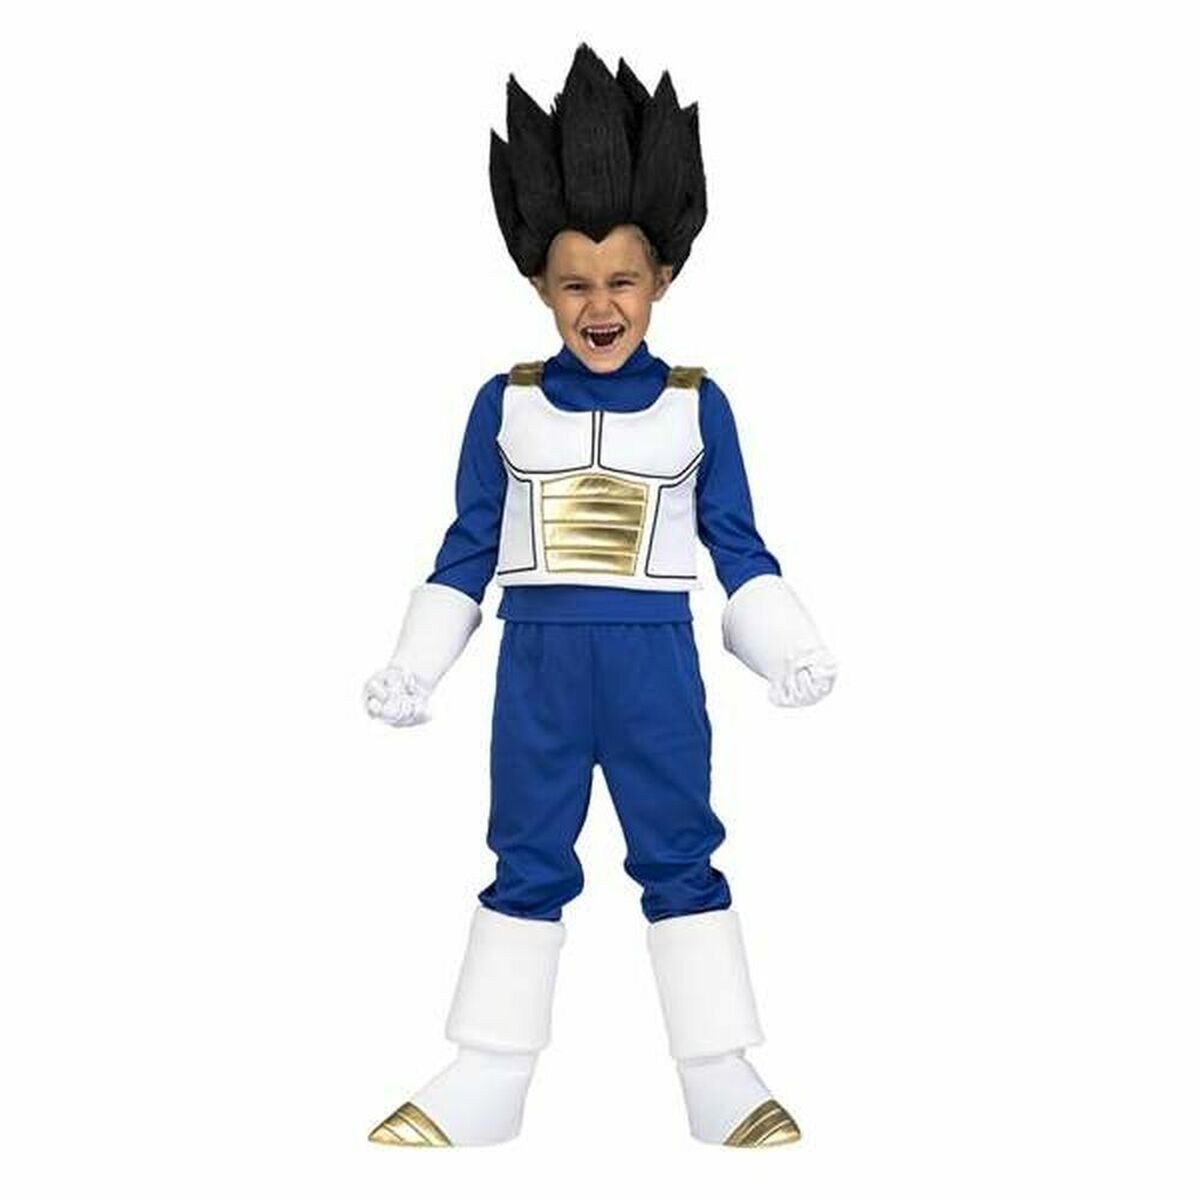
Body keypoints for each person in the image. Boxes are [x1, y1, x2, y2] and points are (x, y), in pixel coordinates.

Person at [363, 43, 837, 1148]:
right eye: (574, 282)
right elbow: (467, 546)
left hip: (652, 662)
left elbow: (737, 544)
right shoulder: (505, 402)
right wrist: (413, 664)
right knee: (526, 852)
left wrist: (790, 646)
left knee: (679, 849)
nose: (600, 303)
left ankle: (722, 1073)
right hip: (536, 663)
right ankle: (487, 1075)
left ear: (661, 278)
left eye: (621, 279)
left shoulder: (698, 404)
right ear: (541, 287)